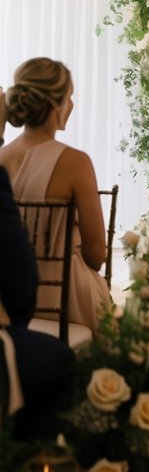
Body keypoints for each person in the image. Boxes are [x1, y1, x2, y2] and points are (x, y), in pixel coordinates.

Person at [0, 58, 111, 332]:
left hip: (8, 297)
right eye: (69, 96)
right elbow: (97, 255)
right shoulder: (76, 162)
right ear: (55, 104)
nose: (71, 104)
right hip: (68, 298)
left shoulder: (1, 158)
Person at [0, 163, 75, 438]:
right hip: (52, 295)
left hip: (34, 297)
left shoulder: (7, 156)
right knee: (63, 360)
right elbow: (20, 281)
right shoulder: (76, 163)